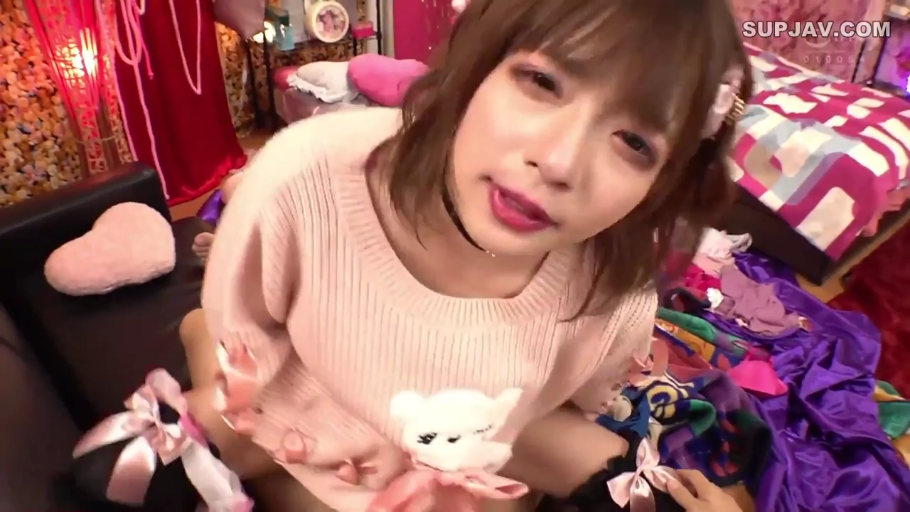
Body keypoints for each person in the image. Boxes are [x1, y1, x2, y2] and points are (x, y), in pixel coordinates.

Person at [72, 0, 753, 510]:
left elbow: (557, 416)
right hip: (300, 389)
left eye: (634, 143)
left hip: (473, 434)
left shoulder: (614, 292)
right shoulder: (307, 179)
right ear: (479, 65)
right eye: (543, 82)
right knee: (114, 473)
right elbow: (244, 340)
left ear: (663, 183)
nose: (558, 161)